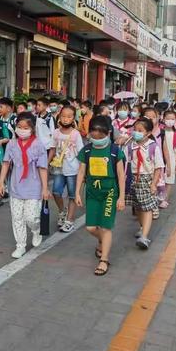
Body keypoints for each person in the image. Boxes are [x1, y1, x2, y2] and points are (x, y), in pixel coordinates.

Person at [75, 116, 126, 276]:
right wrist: (77, 192)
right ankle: (103, 241)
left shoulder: (115, 151)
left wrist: (121, 197)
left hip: (109, 192)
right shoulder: (87, 150)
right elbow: (82, 171)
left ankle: (104, 260)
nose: (96, 140)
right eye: (93, 137)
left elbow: (121, 175)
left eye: (101, 137)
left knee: (105, 227)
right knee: (91, 227)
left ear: (108, 133)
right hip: (92, 192)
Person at [0, 112, 50, 259]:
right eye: (19, 126)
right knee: (17, 218)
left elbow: (42, 168)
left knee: (31, 217)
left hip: (34, 188)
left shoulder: (38, 145)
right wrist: (1, 182)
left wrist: (45, 188)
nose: (22, 129)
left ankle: (36, 229)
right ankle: (20, 245)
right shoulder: (12, 144)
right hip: (16, 187)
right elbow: (6, 163)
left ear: (32, 128)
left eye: (26, 127)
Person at [126, 118, 164, 250]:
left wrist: (154, 183)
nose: (136, 133)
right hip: (134, 179)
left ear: (148, 133)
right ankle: (142, 228)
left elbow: (158, 167)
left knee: (147, 207)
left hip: (147, 178)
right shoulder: (130, 145)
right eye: (134, 130)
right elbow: (126, 162)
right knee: (138, 207)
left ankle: (145, 236)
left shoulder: (153, 146)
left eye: (140, 131)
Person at [49, 105, 84, 233]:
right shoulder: (56, 133)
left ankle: (69, 221)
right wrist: (47, 163)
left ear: (73, 118)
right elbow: (52, 149)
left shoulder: (76, 134)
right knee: (56, 192)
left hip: (72, 170)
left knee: (72, 195)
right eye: (63, 116)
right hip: (58, 168)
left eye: (69, 117)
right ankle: (62, 211)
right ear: (59, 116)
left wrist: (82, 171)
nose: (65, 119)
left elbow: (81, 153)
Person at [162, 110, 176, 205]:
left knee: (169, 181)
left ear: (175, 120)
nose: (170, 120)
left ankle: (165, 199)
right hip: (160, 159)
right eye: (168, 118)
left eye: (172, 119)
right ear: (163, 119)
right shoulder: (160, 133)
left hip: (172, 160)